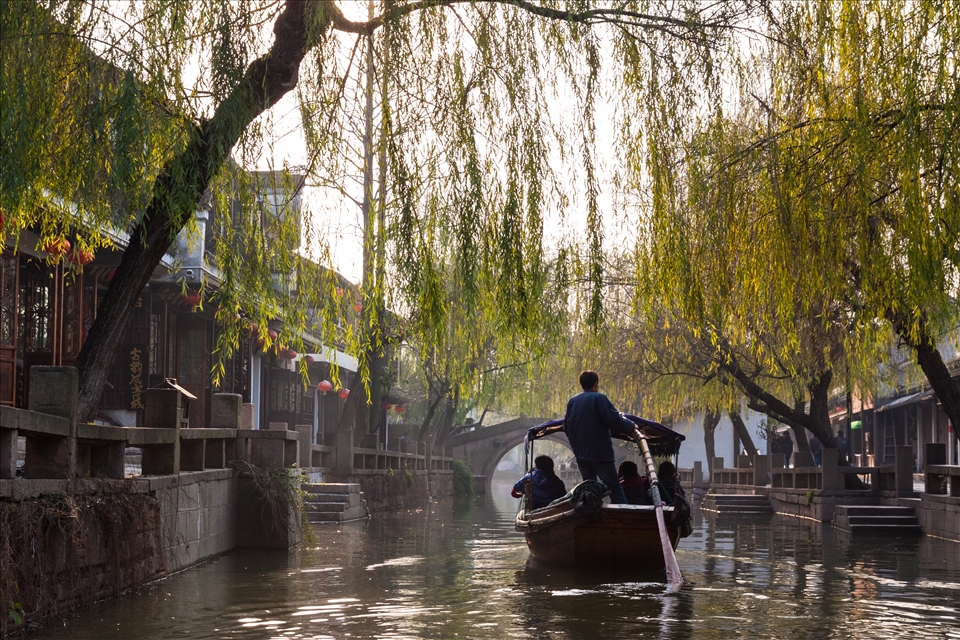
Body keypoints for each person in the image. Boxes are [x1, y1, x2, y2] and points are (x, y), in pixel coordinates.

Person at [564, 370, 636, 504]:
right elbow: (613, 420)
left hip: (582, 455)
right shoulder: (599, 398)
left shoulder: (572, 401)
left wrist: (577, 446)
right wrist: (631, 426)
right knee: (614, 488)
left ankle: (592, 516)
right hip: (600, 454)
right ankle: (623, 518)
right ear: (596, 384)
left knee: (589, 489)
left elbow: (567, 427)